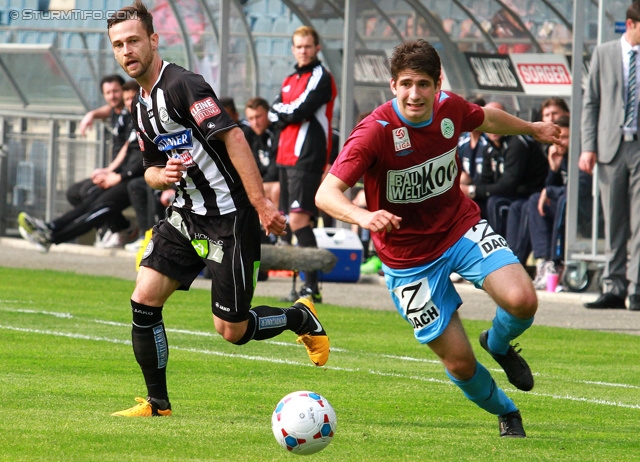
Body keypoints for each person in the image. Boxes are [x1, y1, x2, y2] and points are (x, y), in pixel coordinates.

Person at [316, 39, 560, 438]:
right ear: (393, 85)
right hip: (408, 261)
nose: (415, 94)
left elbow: (486, 119)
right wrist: (364, 215)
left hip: (458, 228)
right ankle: (507, 411)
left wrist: (532, 129)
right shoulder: (373, 133)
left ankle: (498, 344)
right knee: (460, 364)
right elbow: (325, 194)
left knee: (522, 300)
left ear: (437, 84)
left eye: (424, 84)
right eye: (407, 84)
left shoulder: (449, 108)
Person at [104, 1, 329, 417]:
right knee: (143, 299)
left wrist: (261, 204)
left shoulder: (184, 85)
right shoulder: (140, 106)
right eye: (119, 44)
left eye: (134, 40)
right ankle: (158, 404)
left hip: (230, 218)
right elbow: (150, 169)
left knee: (232, 330)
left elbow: (235, 137)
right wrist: (164, 175)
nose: (127, 50)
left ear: (154, 40)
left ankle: (300, 318)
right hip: (187, 215)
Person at [17, 80, 143, 253]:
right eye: (126, 99)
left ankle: (53, 238)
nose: (129, 102)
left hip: (136, 179)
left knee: (98, 207)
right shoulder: (132, 117)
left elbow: (146, 157)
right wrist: (108, 171)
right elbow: (127, 148)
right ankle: (50, 227)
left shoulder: (150, 118)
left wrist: (119, 176)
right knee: (87, 199)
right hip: (123, 175)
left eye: (132, 98)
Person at [269, 25, 337, 303]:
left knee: (299, 220)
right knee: (291, 221)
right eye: (298, 46)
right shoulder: (288, 79)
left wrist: (283, 112)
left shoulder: (322, 76)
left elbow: (299, 110)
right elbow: (275, 112)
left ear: (317, 47)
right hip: (286, 157)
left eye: (308, 46)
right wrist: (284, 112)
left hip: (307, 156)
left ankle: (312, 286)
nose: (303, 51)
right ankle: (306, 285)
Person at [580, 0, 640, 311]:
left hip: (639, 146)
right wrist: (588, 146)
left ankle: (638, 288)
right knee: (614, 220)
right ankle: (614, 287)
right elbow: (591, 103)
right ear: (631, 24)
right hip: (610, 148)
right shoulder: (604, 53)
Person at [464, 101, 548, 238]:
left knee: (496, 203)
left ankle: (500, 251)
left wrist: (471, 190)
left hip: (528, 194)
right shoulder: (488, 147)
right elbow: (483, 181)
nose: (494, 128)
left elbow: (508, 185)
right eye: (490, 121)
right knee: (471, 203)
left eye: (498, 121)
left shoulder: (517, 143)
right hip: (509, 194)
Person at [74, 74, 136, 247]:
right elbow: (108, 109)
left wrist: (109, 171)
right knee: (76, 193)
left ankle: (120, 230)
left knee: (92, 194)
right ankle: (118, 228)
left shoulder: (133, 114)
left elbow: (127, 148)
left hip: (127, 172)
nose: (112, 96)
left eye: (116, 91)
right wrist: (91, 114)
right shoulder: (116, 111)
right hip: (116, 170)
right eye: (107, 92)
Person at [242, 97, 280, 209]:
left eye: (258, 117)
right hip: (261, 184)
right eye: (251, 118)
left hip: (276, 183)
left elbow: (275, 170)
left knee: (275, 190)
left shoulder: (277, 133)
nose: (255, 123)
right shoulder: (249, 136)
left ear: (268, 114)